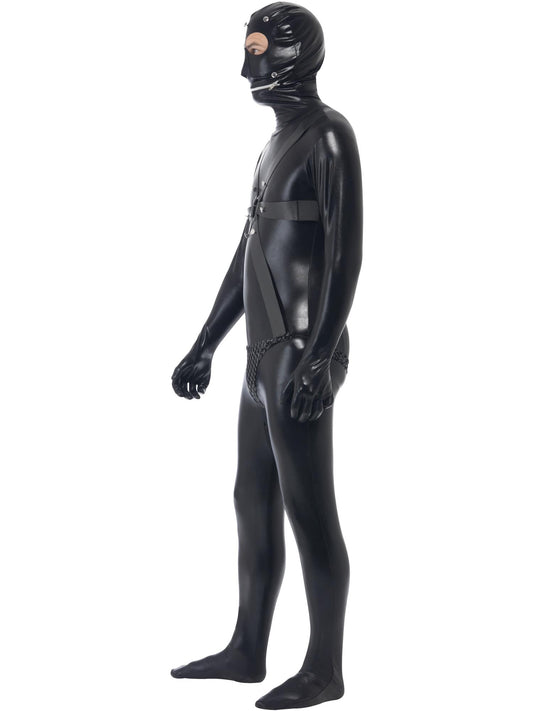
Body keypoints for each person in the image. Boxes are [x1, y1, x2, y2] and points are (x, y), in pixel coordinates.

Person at [170, 3, 363, 708]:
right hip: (261, 355)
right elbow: (249, 250)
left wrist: (319, 357)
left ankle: (325, 669)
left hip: (301, 351)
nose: (245, 67)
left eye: (257, 48)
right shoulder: (273, 144)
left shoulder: (329, 135)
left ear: (293, 55)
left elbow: (345, 255)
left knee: (310, 509)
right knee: (251, 499)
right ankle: (248, 648)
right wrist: (204, 343)